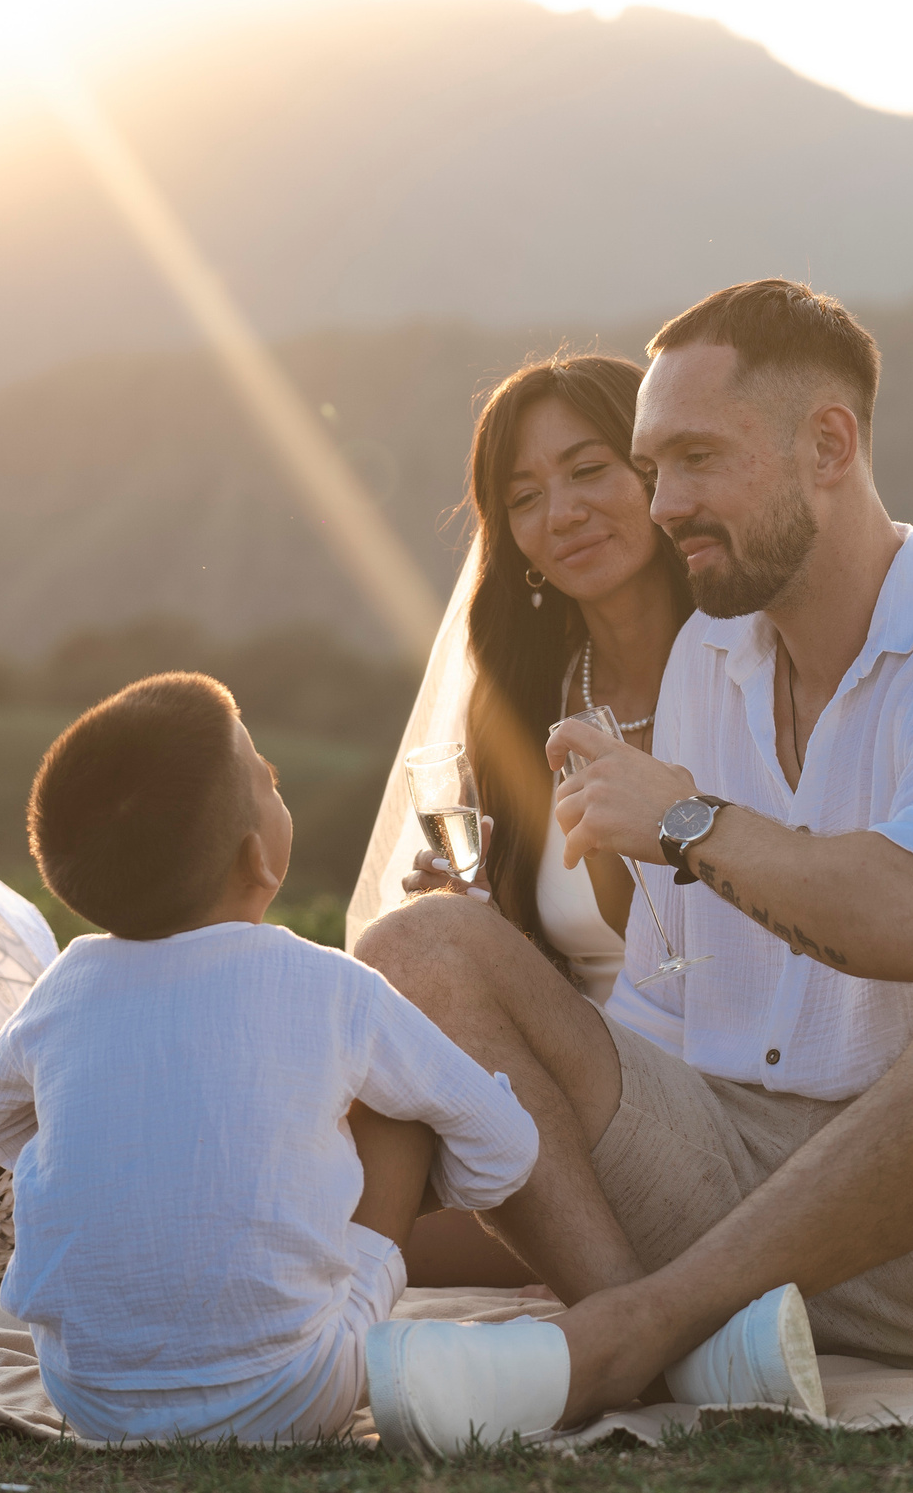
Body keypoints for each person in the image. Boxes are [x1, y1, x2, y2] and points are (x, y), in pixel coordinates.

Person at [355, 280, 913, 1453]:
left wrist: (685, 818)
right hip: (728, 1184)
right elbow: (662, 1005)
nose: (663, 505)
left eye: (694, 460)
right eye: (652, 467)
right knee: (415, 946)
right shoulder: (706, 664)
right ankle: (672, 1331)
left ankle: (627, 1333)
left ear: (828, 444)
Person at [0, 672, 541, 1444]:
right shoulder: (329, 986)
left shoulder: (70, 982)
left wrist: (121, 1143)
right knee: (404, 1115)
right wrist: (375, 1183)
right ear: (258, 856)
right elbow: (507, 1150)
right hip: (290, 1392)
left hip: (86, 1390)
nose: (277, 781)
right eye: (271, 778)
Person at [373, 355, 697, 1291]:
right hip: (553, 1094)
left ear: (657, 469)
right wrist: (474, 924)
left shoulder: (750, 677)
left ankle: (626, 1317)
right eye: (525, 496)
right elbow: (528, 955)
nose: (561, 513)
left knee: (333, 1231)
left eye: (589, 469)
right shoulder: (525, 702)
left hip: (711, 1098)